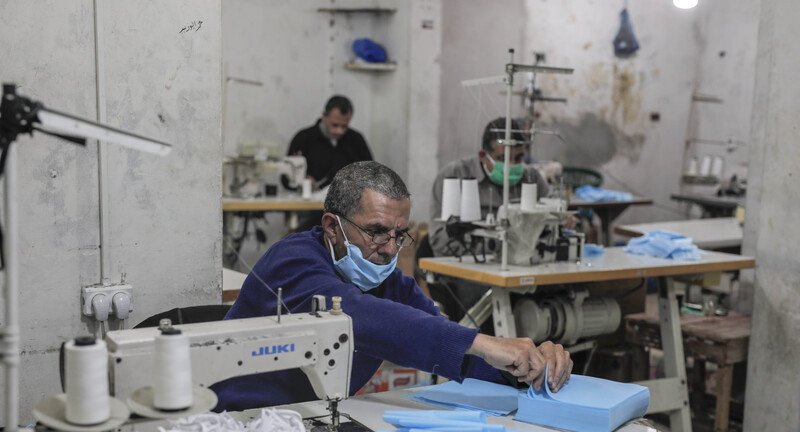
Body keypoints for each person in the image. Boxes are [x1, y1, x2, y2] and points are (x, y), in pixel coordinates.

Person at [211, 161, 572, 411]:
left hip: (307, 421)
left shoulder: (387, 282)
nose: (388, 248)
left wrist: (528, 368)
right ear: (332, 227)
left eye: (399, 235)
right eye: (376, 232)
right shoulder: (292, 262)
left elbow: (440, 339)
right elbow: (357, 317)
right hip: (236, 419)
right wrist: (484, 342)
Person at [429, 117, 563, 257]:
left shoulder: (531, 177)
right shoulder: (454, 176)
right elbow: (439, 240)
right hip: (468, 268)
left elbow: (554, 211)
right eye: (503, 159)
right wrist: (496, 247)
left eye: (518, 158)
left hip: (519, 265)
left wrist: (562, 220)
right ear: (483, 156)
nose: (511, 165)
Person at [287, 95, 373, 191]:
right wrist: (303, 181)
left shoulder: (356, 140)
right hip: (310, 201)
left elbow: (371, 173)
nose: (339, 131)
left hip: (349, 202)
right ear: (324, 116)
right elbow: (286, 177)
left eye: (344, 126)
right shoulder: (303, 138)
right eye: (334, 125)